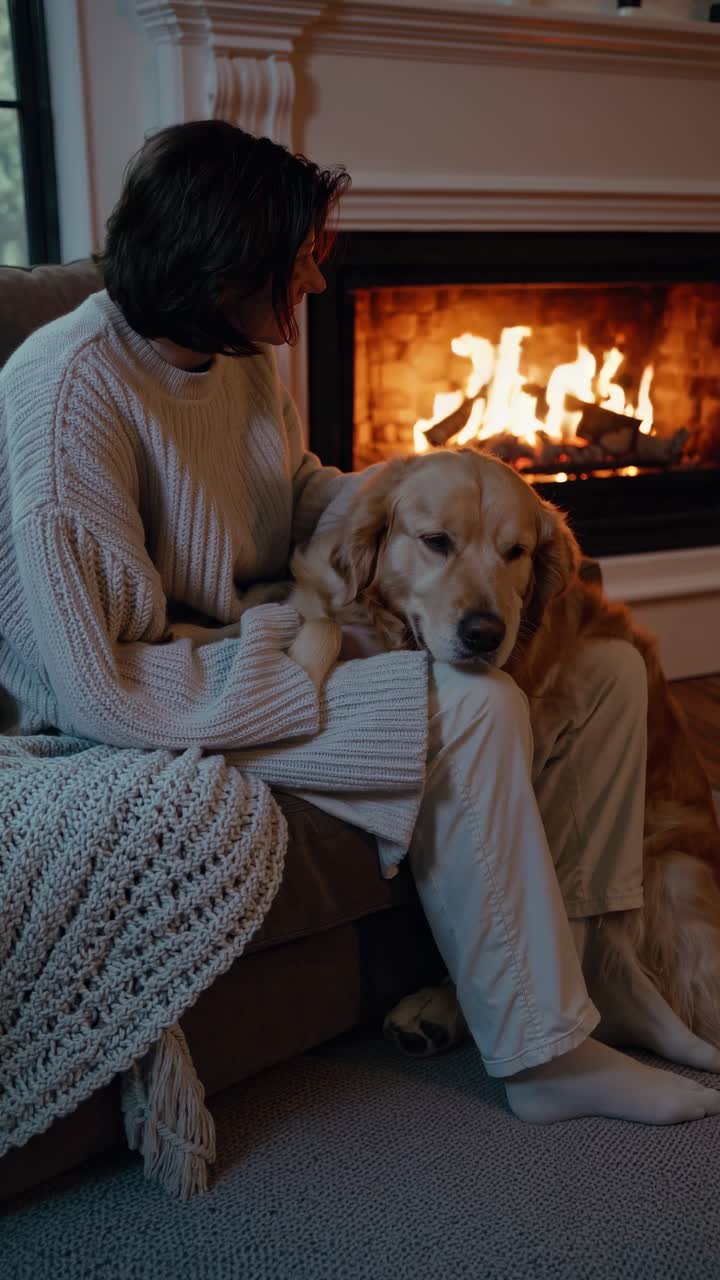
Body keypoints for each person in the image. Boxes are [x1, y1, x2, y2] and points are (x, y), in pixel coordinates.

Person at [1, 119, 719, 1131]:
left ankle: (611, 968)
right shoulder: (70, 394)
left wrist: (427, 501)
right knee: (472, 703)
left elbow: (290, 494)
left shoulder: (232, 352)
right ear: (222, 265)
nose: (320, 285)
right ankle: (544, 1054)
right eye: (302, 262)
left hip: (258, 645)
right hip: (136, 706)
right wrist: (299, 657)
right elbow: (97, 684)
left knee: (604, 673)